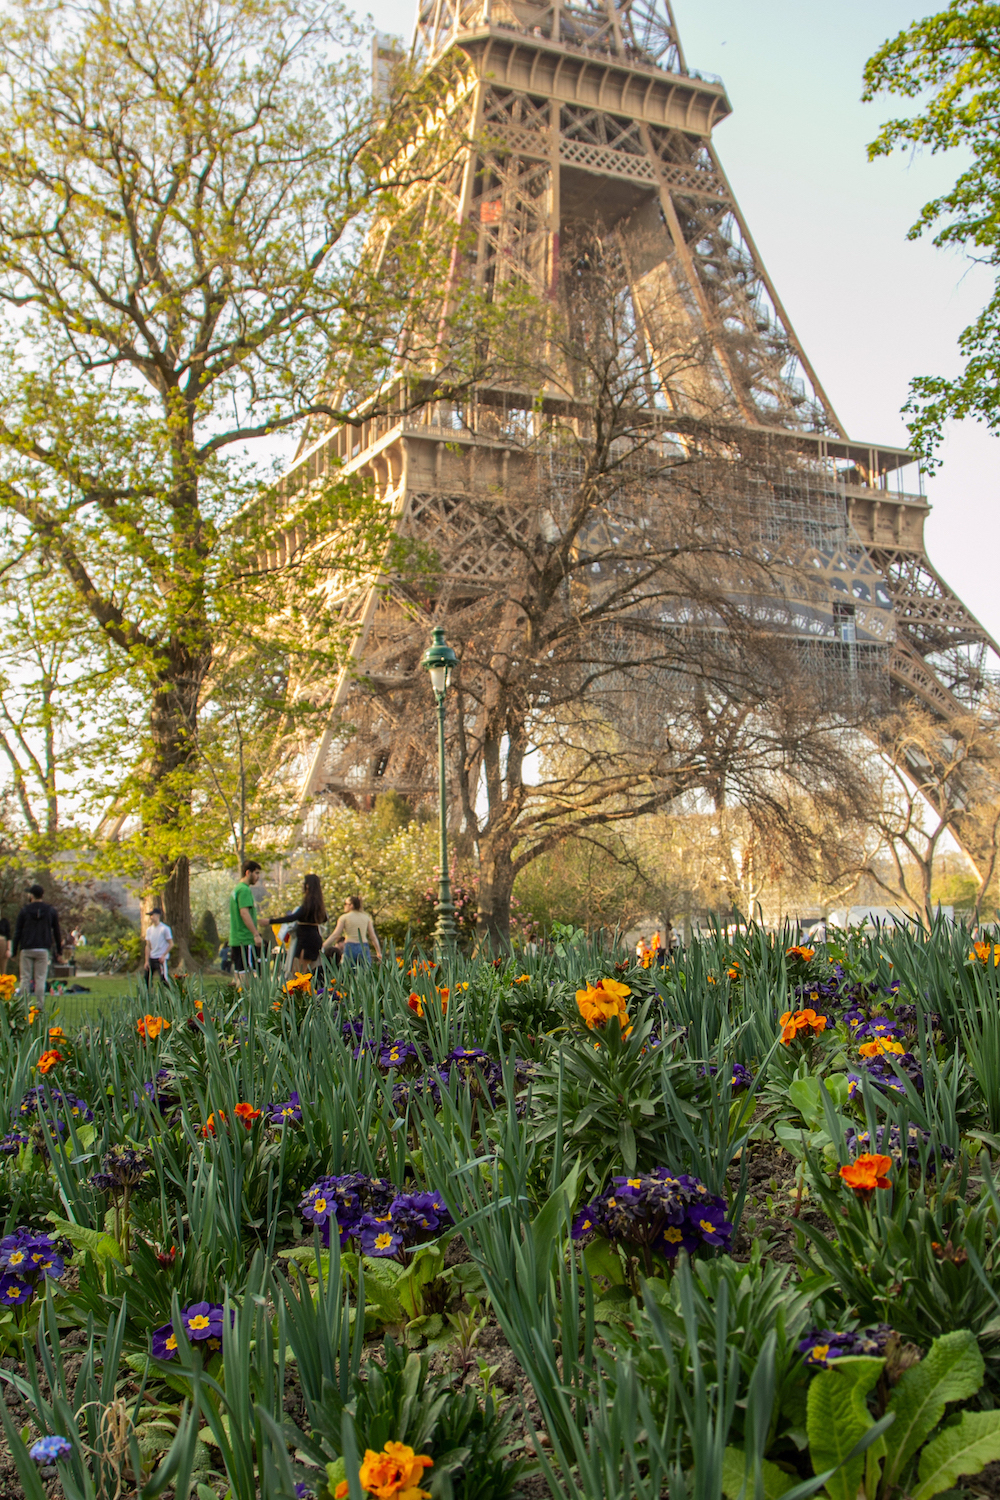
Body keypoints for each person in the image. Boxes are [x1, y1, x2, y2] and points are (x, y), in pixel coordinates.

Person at [270, 873, 328, 975]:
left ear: (307, 886)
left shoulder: (309, 904)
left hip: (306, 941)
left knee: (299, 973)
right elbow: (324, 919)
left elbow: (292, 917)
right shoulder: (318, 905)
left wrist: (271, 921)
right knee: (303, 972)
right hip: (313, 938)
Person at [13, 884, 63, 998]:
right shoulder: (50, 911)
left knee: (25, 978)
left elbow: (18, 931)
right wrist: (59, 951)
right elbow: (56, 932)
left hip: (27, 948)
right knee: (40, 978)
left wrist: (14, 950)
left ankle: (23, 1007)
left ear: (31, 895)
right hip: (43, 947)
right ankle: (40, 1006)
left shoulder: (25, 911)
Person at [229, 860, 264, 977]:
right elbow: (244, 913)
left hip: (236, 938)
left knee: (239, 974)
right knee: (248, 976)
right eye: (256, 873)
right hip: (245, 939)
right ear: (248, 872)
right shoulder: (244, 890)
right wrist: (256, 934)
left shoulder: (237, 889)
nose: (258, 877)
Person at [324, 895, 381, 966]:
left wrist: (323, 946)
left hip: (350, 946)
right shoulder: (366, 917)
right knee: (365, 973)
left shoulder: (344, 918)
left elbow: (335, 935)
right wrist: (378, 952)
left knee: (349, 973)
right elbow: (373, 936)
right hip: (364, 946)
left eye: (345, 904)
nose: (344, 906)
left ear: (351, 905)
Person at [144, 907, 174, 986]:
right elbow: (148, 946)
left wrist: (164, 955)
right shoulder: (149, 930)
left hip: (160, 958)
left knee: (163, 979)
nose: (151, 917)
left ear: (157, 916)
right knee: (146, 978)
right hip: (152, 957)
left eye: (152, 915)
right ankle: (148, 995)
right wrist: (146, 960)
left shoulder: (164, 929)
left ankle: (168, 995)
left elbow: (171, 944)